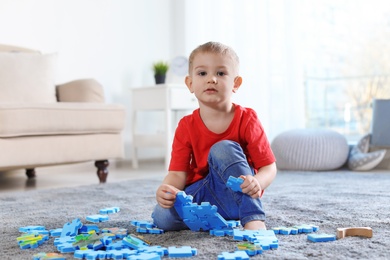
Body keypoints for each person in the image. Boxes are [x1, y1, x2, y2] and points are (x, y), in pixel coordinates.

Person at [152, 41, 277, 231]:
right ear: (190, 83)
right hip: (203, 193)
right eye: (202, 73)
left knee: (223, 147)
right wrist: (167, 190)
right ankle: (210, 218)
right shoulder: (186, 125)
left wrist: (256, 183)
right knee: (162, 216)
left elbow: (268, 167)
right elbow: (178, 173)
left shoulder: (247, 119)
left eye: (221, 73)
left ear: (236, 83)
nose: (212, 79)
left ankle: (253, 217)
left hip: (239, 193)